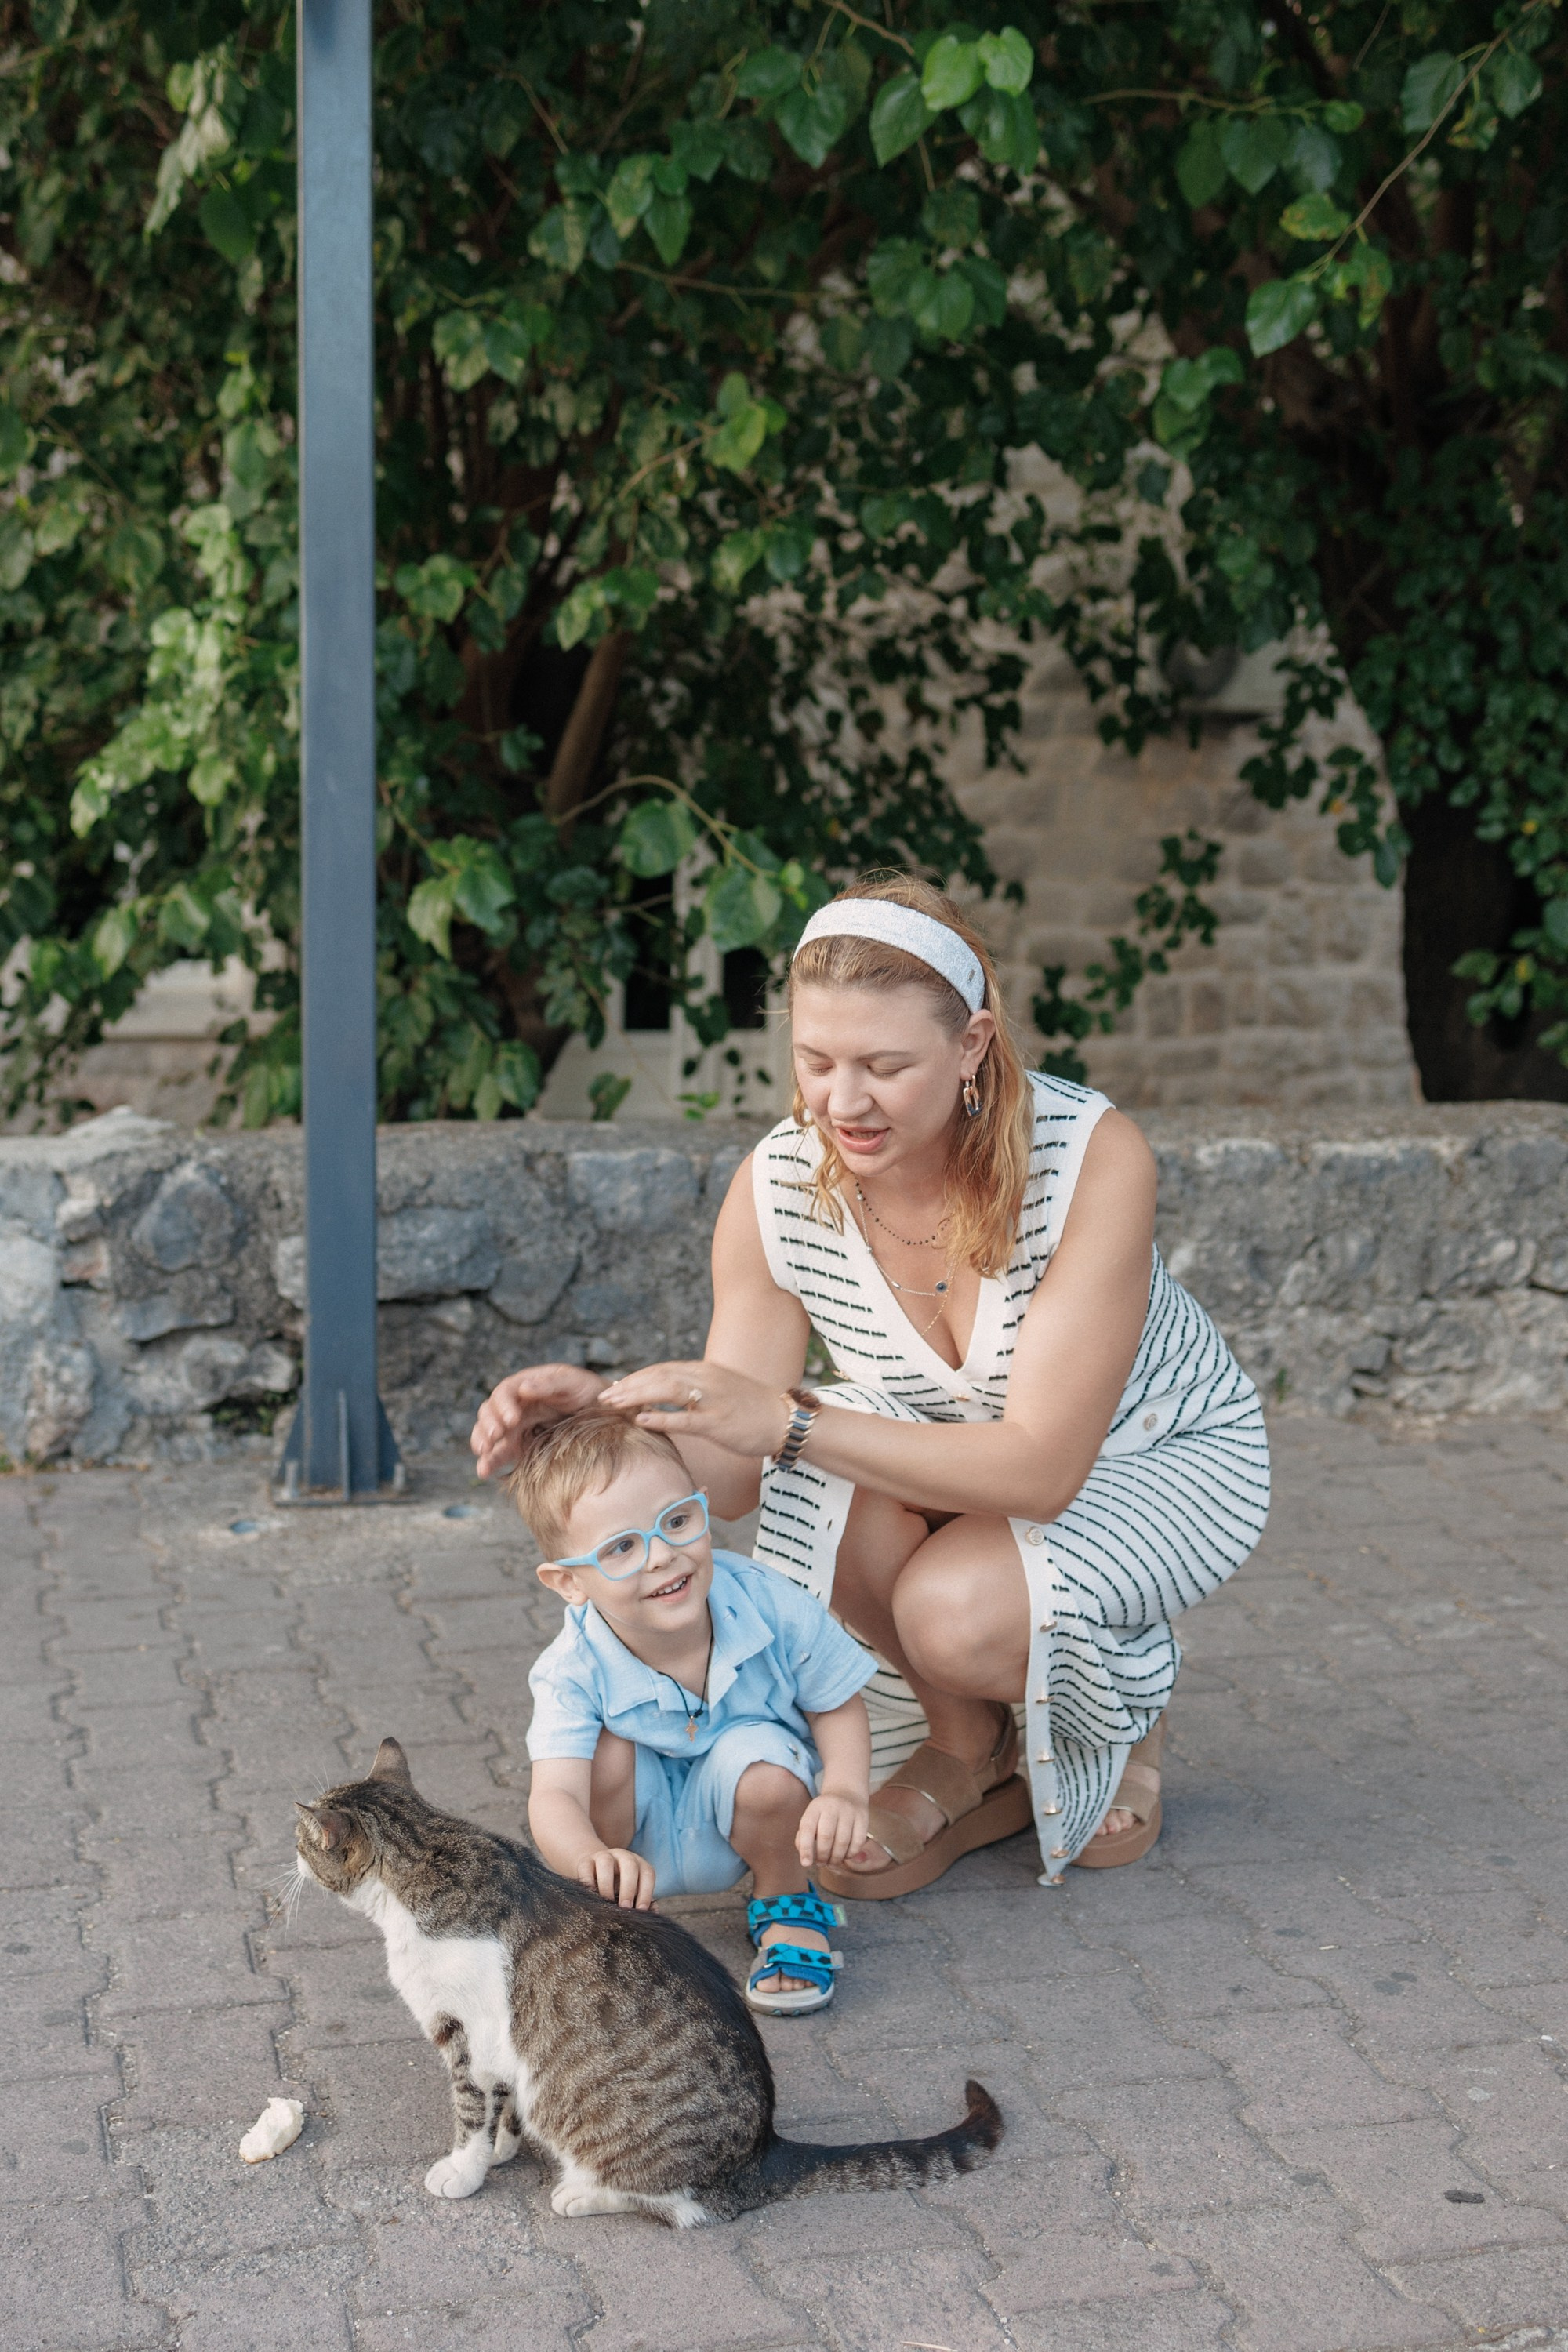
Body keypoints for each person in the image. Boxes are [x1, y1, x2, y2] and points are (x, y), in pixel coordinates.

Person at [475, 873, 1270, 1894]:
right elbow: (728, 1479)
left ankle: (1126, 1699)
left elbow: (1038, 1471)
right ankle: (968, 1741)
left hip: (1151, 1457)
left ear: (972, 1045)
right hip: (950, 1452)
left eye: (885, 1065)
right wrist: (609, 1407)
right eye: (816, 1062)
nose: (842, 1102)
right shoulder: (778, 1186)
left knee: (947, 1607)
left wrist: (788, 1421)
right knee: (814, 1451)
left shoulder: (1091, 1158)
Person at [514, 1407, 876, 2014]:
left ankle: (787, 1904)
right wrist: (586, 1859)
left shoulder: (769, 1601)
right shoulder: (569, 1668)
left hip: (753, 1811)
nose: (661, 1556)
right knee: (599, 1752)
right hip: (635, 1831)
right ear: (568, 1583)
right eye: (622, 1548)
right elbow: (554, 1797)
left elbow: (837, 1703)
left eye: (677, 1521)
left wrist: (845, 1790)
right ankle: (613, 1912)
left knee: (764, 1765)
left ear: (702, 1506)